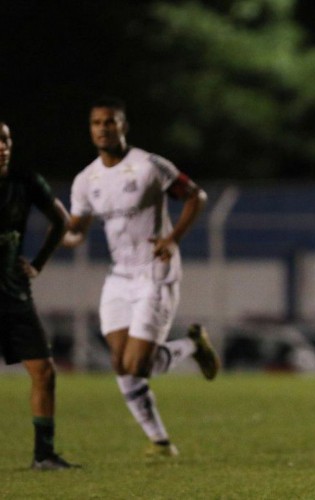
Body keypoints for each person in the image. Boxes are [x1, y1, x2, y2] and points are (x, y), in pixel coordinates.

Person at [62, 97, 220, 457]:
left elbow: (196, 196)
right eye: (97, 123)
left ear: (123, 126)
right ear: (91, 130)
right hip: (118, 277)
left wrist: (172, 238)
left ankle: (194, 345)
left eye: (110, 122)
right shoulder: (86, 180)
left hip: (155, 273)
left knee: (137, 364)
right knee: (121, 364)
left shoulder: (149, 165)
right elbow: (77, 232)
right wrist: (62, 236)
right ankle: (161, 443)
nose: (103, 128)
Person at [0, 121, 80, 470]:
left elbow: (61, 220)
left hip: (14, 294)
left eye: (4, 139)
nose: (1, 147)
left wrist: (38, 264)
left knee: (45, 372)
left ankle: (44, 455)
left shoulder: (26, 182)